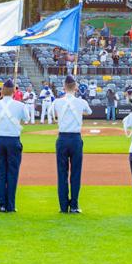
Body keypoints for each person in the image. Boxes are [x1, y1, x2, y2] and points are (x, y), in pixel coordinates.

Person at [0, 79, 29, 213]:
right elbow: (26, 119)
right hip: (13, 141)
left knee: (0, 173)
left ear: (2, 91)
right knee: (12, 173)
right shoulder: (20, 105)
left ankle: (2, 204)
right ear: (14, 91)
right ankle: (10, 205)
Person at [53, 76, 93, 213]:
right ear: (75, 87)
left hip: (62, 138)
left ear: (64, 87)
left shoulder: (57, 102)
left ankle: (63, 206)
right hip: (75, 138)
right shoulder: (81, 102)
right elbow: (89, 112)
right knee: (75, 173)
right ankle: (74, 205)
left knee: (62, 173)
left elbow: (52, 113)